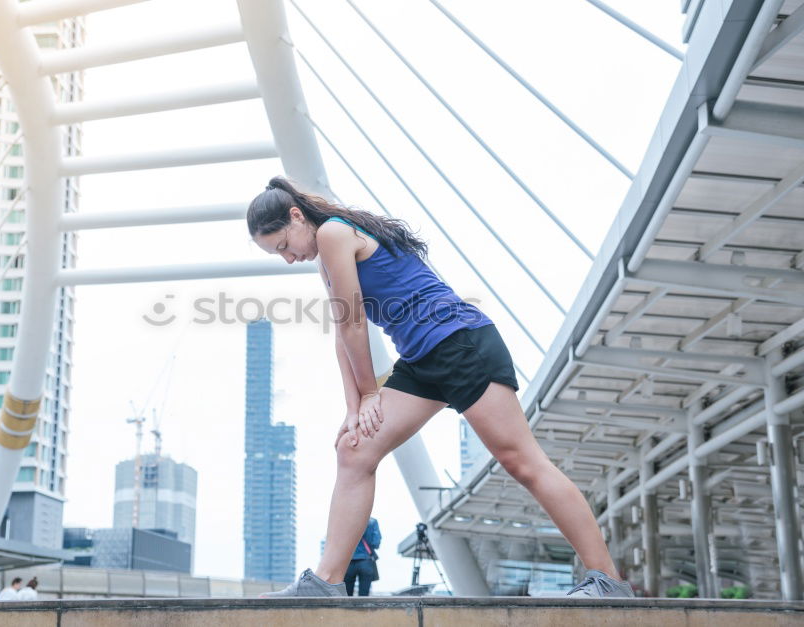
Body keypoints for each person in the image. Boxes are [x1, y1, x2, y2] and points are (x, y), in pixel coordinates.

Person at [250, 177, 632, 598]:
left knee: (523, 462)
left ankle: (607, 580)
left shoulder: (333, 232)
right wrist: (354, 406)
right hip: (421, 361)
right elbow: (343, 331)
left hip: (460, 343)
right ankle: (327, 583)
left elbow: (357, 323)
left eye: (284, 245)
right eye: (278, 255)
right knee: (354, 449)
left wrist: (373, 393)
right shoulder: (326, 252)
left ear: (297, 217)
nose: (287, 258)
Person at [345, 517, 380, 596]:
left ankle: (347, 608)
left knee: (347, 594)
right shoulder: (372, 521)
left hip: (348, 561)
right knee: (364, 595)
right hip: (366, 561)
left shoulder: (347, 520)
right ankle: (362, 608)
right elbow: (376, 542)